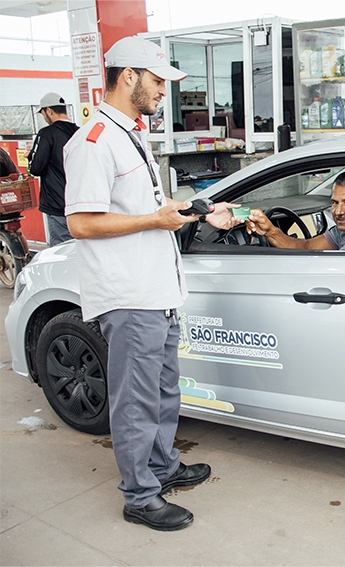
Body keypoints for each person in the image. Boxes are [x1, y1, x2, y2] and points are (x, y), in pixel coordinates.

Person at [63, 35, 240, 532]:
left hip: (157, 290)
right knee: (135, 400)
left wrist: (198, 211)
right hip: (129, 294)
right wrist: (155, 220)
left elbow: (148, 209)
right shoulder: (94, 140)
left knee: (163, 390)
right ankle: (140, 495)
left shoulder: (130, 134)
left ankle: (162, 467)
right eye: (158, 81)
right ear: (128, 77)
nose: (165, 91)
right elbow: (82, 222)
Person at [246, 170, 345, 250]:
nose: (339, 212)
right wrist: (269, 231)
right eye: (335, 203)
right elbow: (307, 246)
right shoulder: (344, 232)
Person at [27, 93, 79, 246]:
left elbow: (35, 168)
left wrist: (31, 156)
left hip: (57, 205)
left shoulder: (46, 134)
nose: (44, 117)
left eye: (43, 113)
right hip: (81, 204)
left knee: (61, 251)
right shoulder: (80, 132)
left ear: (48, 111)